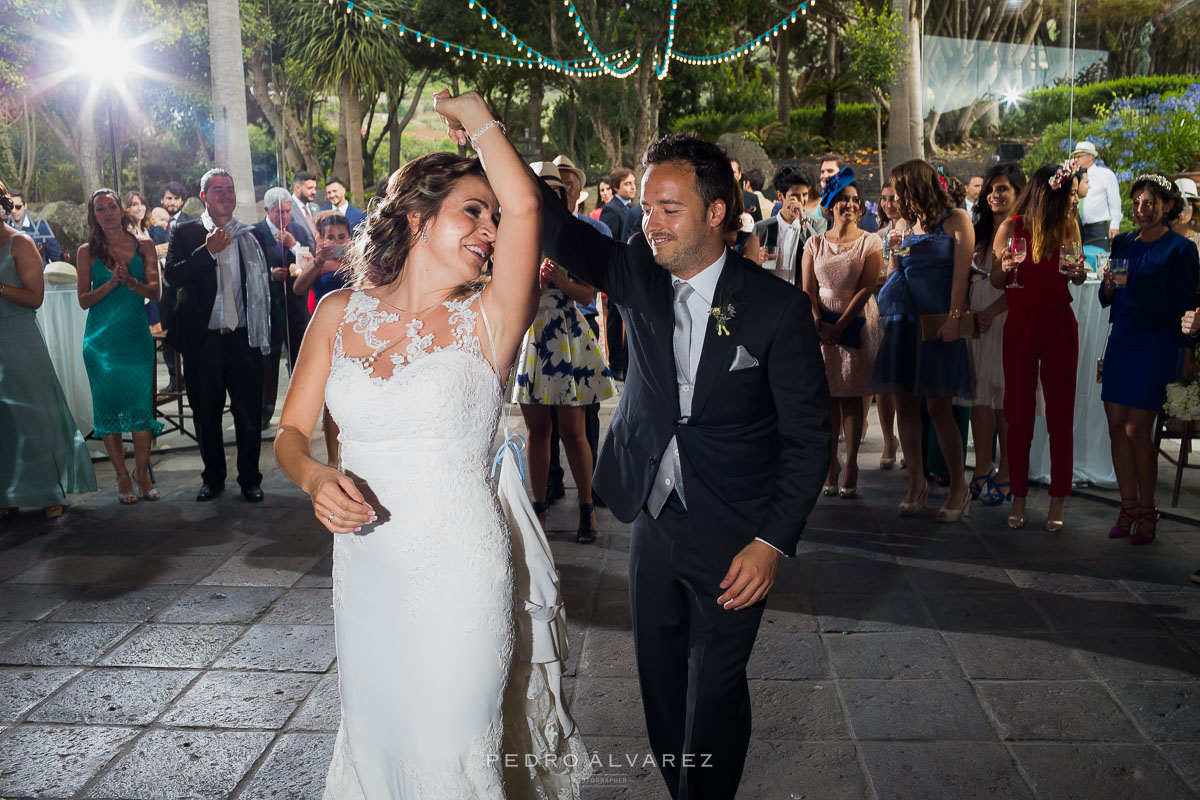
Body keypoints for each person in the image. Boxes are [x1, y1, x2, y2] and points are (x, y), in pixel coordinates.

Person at [274, 90, 589, 797]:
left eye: (493, 215)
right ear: (418, 218)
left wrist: (479, 120)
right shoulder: (336, 314)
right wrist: (316, 479)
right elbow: (290, 435)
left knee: (454, 750)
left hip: (462, 574)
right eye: (471, 212)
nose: (488, 228)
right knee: (380, 742)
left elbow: (531, 209)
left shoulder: (492, 317)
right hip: (367, 571)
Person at [539, 132, 830, 799]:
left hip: (737, 531)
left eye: (669, 208)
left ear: (716, 212)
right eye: (647, 207)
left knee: (716, 682)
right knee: (664, 684)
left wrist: (770, 543)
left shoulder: (775, 308)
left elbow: (810, 439)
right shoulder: (639, 271)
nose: (652, 221)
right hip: (652, 516)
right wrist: (484, 131)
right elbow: (555, 227)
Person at [514, 162, 616, 543]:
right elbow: (508, 296)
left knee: (574, 431)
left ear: (561, 196)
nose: (548, 197)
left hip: (568, 335)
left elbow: (589, 295)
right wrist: (536, 286)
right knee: (537, 430)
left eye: (553, 192)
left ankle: (586, 506)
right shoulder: (518, 236)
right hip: (534, 335)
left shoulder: (575, 237)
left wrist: (559, 280)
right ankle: (538, 505)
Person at [871, 159, 974, 522]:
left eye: (899, 188)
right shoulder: (902, 225)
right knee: (905, 403)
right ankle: (916, 483)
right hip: (905, 321)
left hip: (938, 322)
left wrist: (954, 319)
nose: (894, 197)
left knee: (938, 407)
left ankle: (959, 486)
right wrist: (894, 251)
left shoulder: (957, 220)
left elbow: (962, 278)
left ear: (916, 186)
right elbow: (893, 277)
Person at [1099, 174, 1199, 545]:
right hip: (1121, 340)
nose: (1141, 209)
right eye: (1137, 202)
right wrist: (1108, 284)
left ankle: (1147, 510)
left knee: (1136, 430)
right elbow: (1107, 298)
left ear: (1168, 206)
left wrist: (1186, 353)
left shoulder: (1181, 249)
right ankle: (1126, 507)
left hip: (1155, 344)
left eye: (1149, 202)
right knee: (1114, 426)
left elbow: (1187, 306)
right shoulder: (1123, 241)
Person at [164, 168, 273, 503]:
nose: (225, 195)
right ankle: (212, 478)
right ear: (204, 197)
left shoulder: (251, 235)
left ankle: (250, 479)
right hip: (204, 341)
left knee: (248, 414)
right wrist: (207, 251)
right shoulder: (185, 232)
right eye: (218, 190)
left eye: (230, 189)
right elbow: (172, 277)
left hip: (243, 337)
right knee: (206, 414)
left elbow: (268, 285)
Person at [990, 163, 1088, 531]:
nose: (1069, 201)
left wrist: (1077, 274)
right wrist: (1004, 264)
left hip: (1059, 322)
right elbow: (998, 281)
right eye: (1065, 194)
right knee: (1018, 412)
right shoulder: (1010, 227)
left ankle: (1058, 499)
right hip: (1021, 322)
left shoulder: (1068, 226)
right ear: (1047, 192)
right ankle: (1018, 495)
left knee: (1061, 412)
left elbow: (1075, 275)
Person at [0, 180, 95, 518]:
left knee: (31, 415)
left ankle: (47, 490)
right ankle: (7, 494)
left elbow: (34, 297)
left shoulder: (19, 243)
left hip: (18, 339)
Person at [77, 189, 165, 503]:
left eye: (111, 206)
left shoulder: (144, 246)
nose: (107, 213)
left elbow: (154, 293)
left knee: (141, 408)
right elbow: (84, 300)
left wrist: (131, 284)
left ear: (121, 210)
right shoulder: (86, 251)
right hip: (100, 343)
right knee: (109, 412)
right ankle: (121, 476)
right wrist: (112, 283)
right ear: (94, 215)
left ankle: (142, 471)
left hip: (134, 337)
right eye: (100, 209)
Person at [801, 168, 883, 499]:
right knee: (828, 397)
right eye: (843, 201)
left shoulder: (870, 241)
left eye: (855, 201)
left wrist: (842, 324)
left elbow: (866, 288)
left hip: (857, 320)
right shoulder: (814, 243)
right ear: (831, 205)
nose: (849, 205)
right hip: (821, 323)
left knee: (851, 395)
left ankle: (851, 463)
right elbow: (807, 288)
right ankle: (830, 463)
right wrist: (819, 322)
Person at [967, 164, 1026, 507]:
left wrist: (991, 311)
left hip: (1005, 315)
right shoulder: (979, 229)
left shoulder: (1022, 230)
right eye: (990, 189)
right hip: (977, 318)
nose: (994, 195)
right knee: (979, 394)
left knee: (1004, 395)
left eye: (1003, 188)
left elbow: (1024, 282)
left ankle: (1007, 470)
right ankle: (982, 465)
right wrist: (971, 312)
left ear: (1019, 193)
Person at [291, 213, 352, 466]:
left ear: (350, 238)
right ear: (321, 238)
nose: (336, 242)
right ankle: (332, 459)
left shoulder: (361, 260)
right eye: (330, 237)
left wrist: (338, 264)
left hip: (354, 331)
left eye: (341, 237)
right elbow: (298, 288)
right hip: (326, 335)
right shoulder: (317, 263)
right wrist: (319, 262)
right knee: (331, 399)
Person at [256, 187, 313, 426]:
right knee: (267, 364)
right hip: (269, 306)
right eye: (279, 212)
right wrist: (270, 274)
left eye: (288, 212)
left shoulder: (297, 231)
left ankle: (301, 413)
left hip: (295, 305)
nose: (284, 217)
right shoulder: (256, 233)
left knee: (300, 358)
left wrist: (294, 245)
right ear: (267, 210)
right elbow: (248, 269)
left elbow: (311, 261)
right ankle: (264, 413)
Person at [872, 183, 903, 469]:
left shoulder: (910, 233)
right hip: (878, 305)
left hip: (902, 307)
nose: (888, 203)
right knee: (882, 379)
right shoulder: (878, 236)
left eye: (893, 198)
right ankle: (887, 439)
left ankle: (907, 441)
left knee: (902, 378)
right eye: (883, 199)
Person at [753, 165, 826, 284]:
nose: (801, 200)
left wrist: (803, 219)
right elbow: (749, 269)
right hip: (770, 294)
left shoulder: (818, 223)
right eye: (795, 196)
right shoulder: (761, 228)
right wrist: (756, 261)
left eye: (805, 194)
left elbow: (820, 256)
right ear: (780, 196)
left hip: (801, 295)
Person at [1073, 141, 1122, 249]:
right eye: (1074, 157)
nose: (1075, 160)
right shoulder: (1073, 176)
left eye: (1079, 156)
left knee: (1097, 260)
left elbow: (1115, 202)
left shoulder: (1105, 175)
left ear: (1090, 156)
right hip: (1077, 226)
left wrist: (1115, 225)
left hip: (1097, 229)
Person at [8, 191, 61, 264]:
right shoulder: (4, 231)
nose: (13, 211)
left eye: (18, 207)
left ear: (25, 206)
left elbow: (56, 259)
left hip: (40, 274)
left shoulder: (42, 229)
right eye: (11, 207)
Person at [291, 170, 321, 241]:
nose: (314, 192)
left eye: (315, 188)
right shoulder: (287, 210)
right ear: (297, 188)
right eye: (310, 188)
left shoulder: (315, 208)